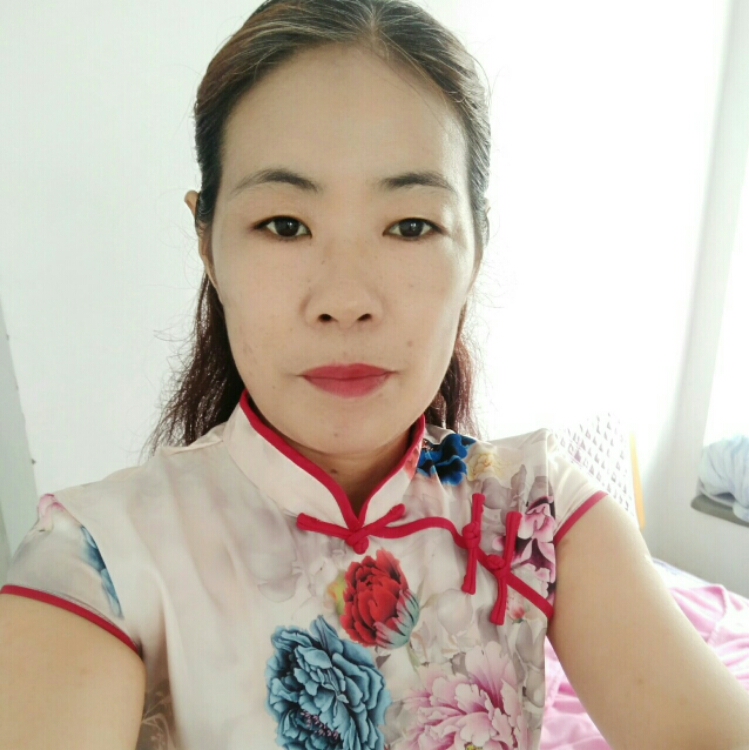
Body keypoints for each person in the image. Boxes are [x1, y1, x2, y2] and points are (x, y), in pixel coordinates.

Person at [1, 0, 749, 747]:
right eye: (284, 225)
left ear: (475, 248)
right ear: (208, 244)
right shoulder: (99, 561)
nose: (346, 300)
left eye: (410, 226)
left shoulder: (538, 514)